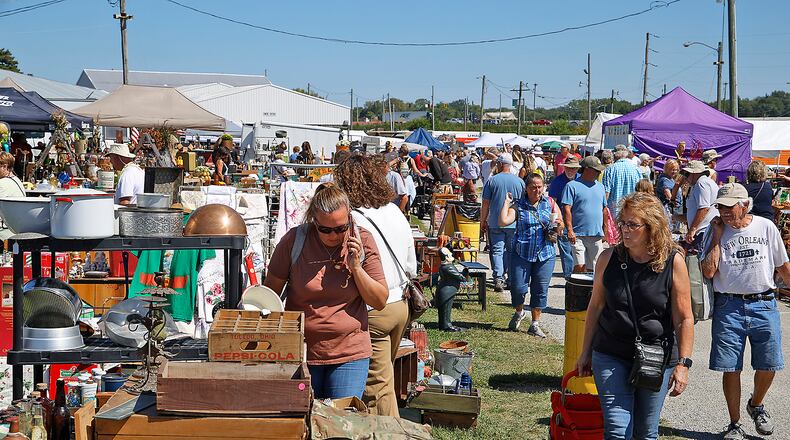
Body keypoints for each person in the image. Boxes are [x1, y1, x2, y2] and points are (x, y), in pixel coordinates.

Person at [576, 192, 694, 440]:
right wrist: (585, 352)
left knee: (645, 432)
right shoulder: (608, 258)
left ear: (652, 227)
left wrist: (683, 364)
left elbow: (684, 318)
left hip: (656, 356)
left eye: (633, 224)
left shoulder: (673, 262)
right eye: (623, 223)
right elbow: (595, 307)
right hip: (611, 353)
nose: (625, 230)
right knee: (618, 430)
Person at [263, 183, 388, 400]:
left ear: (349, 217)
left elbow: (379, 300)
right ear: (313, 220)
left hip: (350, 352)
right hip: (299, 352)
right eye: (325, 229)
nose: (334, 236)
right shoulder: (294, 241)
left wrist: (356, 267)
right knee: (301, 421)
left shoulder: (363, 240)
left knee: (341, 424)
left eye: (341, 228)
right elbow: (268, 297)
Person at [701, 183, 790, 439]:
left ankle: (756, 404)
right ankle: (734, 423)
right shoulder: (714, 230)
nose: (725, 212)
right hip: (729, 306)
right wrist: (717, 237)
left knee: (770, 363)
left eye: (730, 206)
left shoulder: (766, 227)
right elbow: (708, 271)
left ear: (745, 205)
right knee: (731, 368)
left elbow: (783, 266)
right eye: (721, 207)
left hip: (764, 303)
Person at [333, 155, 416, 417]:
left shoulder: (355, 219)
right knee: (384, 379)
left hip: (373, 310)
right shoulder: (393, 211)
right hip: (400, 305)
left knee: (376, 389)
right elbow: (411, 264)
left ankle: (390, 431)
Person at [500, 173, 563, 336]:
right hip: (522, 253)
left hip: (545, 254)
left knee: (540, 289)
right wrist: (506, 203)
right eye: (533, 187)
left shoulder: (550, 203)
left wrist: (558, 226)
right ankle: (519, 312)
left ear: (544, 187)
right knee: (518, 288)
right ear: (526, 189)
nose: (537, 190)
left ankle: (535, 324)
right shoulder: (519, 205)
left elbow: (560, 223)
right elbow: (503, 222)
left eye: (539, 187)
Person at [481, 153, 525, 292]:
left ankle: (498, 278)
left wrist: (482, 221)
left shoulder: (492, 181)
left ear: (500, 164)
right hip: (513, 222)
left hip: (495, 222)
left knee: (497, 251)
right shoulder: (520, 182)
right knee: (511, 252)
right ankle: (511, 279)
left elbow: (486, 204)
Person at [561, 156, 608, 273]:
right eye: (596, 170)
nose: (599, 173)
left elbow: (604, 209)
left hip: (596, 234)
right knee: (579, 267)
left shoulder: (601, 187)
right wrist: (570, 230)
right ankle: (578, 290)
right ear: (586, 169)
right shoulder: (572, 186)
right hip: (578, 235)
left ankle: (591, 291)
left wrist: (605, 229)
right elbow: (567, 209)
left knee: (596, 268)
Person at [548, 156, 581, 279]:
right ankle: (569, 276)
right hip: (563, 220)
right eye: (568, 168)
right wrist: (553, 224)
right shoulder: (557, 182)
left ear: (577, 169)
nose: (570, 171)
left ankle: (580, 275)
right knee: (566, 250)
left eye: (573, 169)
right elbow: (552, 203)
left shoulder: (581, 180)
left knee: (578, 250)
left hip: (579, 220)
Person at [682, 160, 719, 252]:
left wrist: (692, 230)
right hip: (705, 231)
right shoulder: (704, 182)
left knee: (699, 263)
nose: (685, 177)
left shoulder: (701, 183)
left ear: (694, 173)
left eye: (687, 174)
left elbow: (704, 208)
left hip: (703, 233)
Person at [602, 147, 642, 219]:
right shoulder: (637, 169)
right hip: (632, 210)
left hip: (614, 213)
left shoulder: (610, 170)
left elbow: (606, 193)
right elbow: (641, 191)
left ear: (614, 155)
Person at [436, 247, 469, 332]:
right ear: (446, 257)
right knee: (446, 309)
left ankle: (444, 324)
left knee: (446, 310)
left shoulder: (445, 266)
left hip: (446, 291)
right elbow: (460, 277)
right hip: (447, 292)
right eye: (449, 253)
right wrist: (465, 273)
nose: (451, 253)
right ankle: (446, 326)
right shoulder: (448, 267)